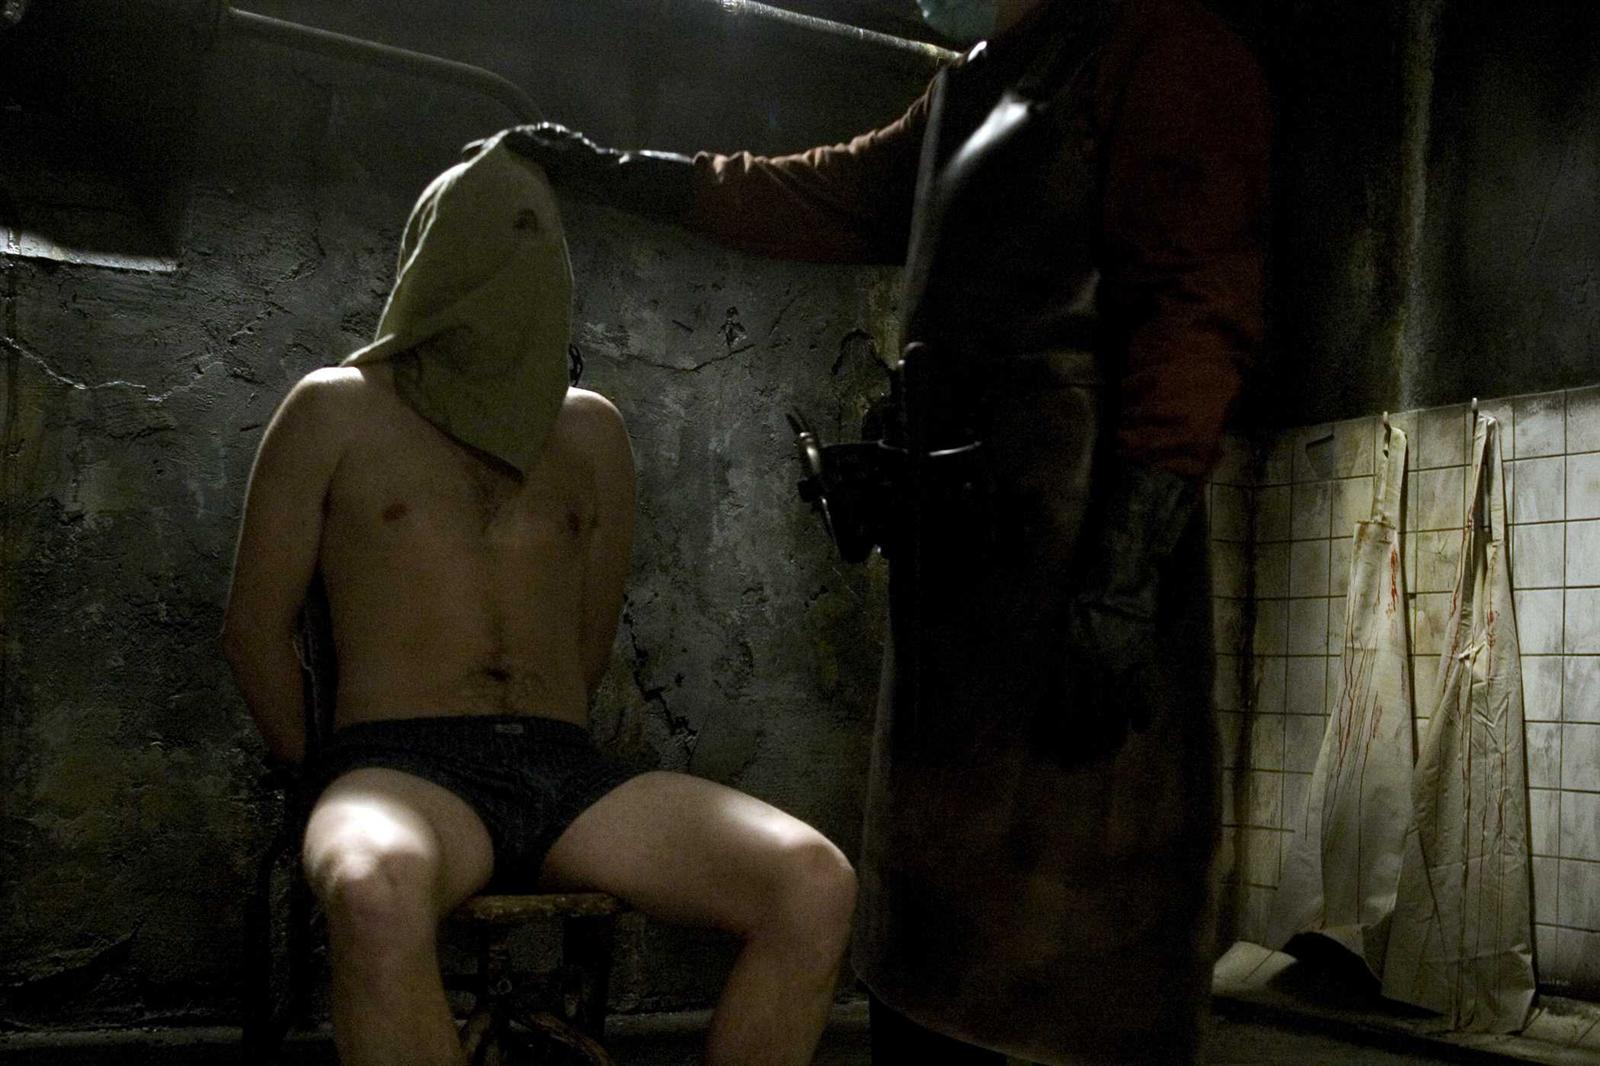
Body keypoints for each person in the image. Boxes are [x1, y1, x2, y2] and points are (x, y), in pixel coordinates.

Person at [503, 0, 1271, 1062]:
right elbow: (815, 191)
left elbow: (1194, 316)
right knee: (933, 942)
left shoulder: (1159, 47)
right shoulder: (972, 85)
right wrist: (612, 171)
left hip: (1078, 555)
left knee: (1076, 964)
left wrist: (1124, 579)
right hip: (963, 573)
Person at [220, 132, 857, 1066]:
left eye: (537, 235)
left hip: (565, 772)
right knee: (371, 886)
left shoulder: (590, 431)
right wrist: (324, 777)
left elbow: (587, 646)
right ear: (435, 253)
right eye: (493, 234)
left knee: (813, 880)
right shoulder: (334, 408)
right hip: (401, 767)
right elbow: (253, 633)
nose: (517, 259)